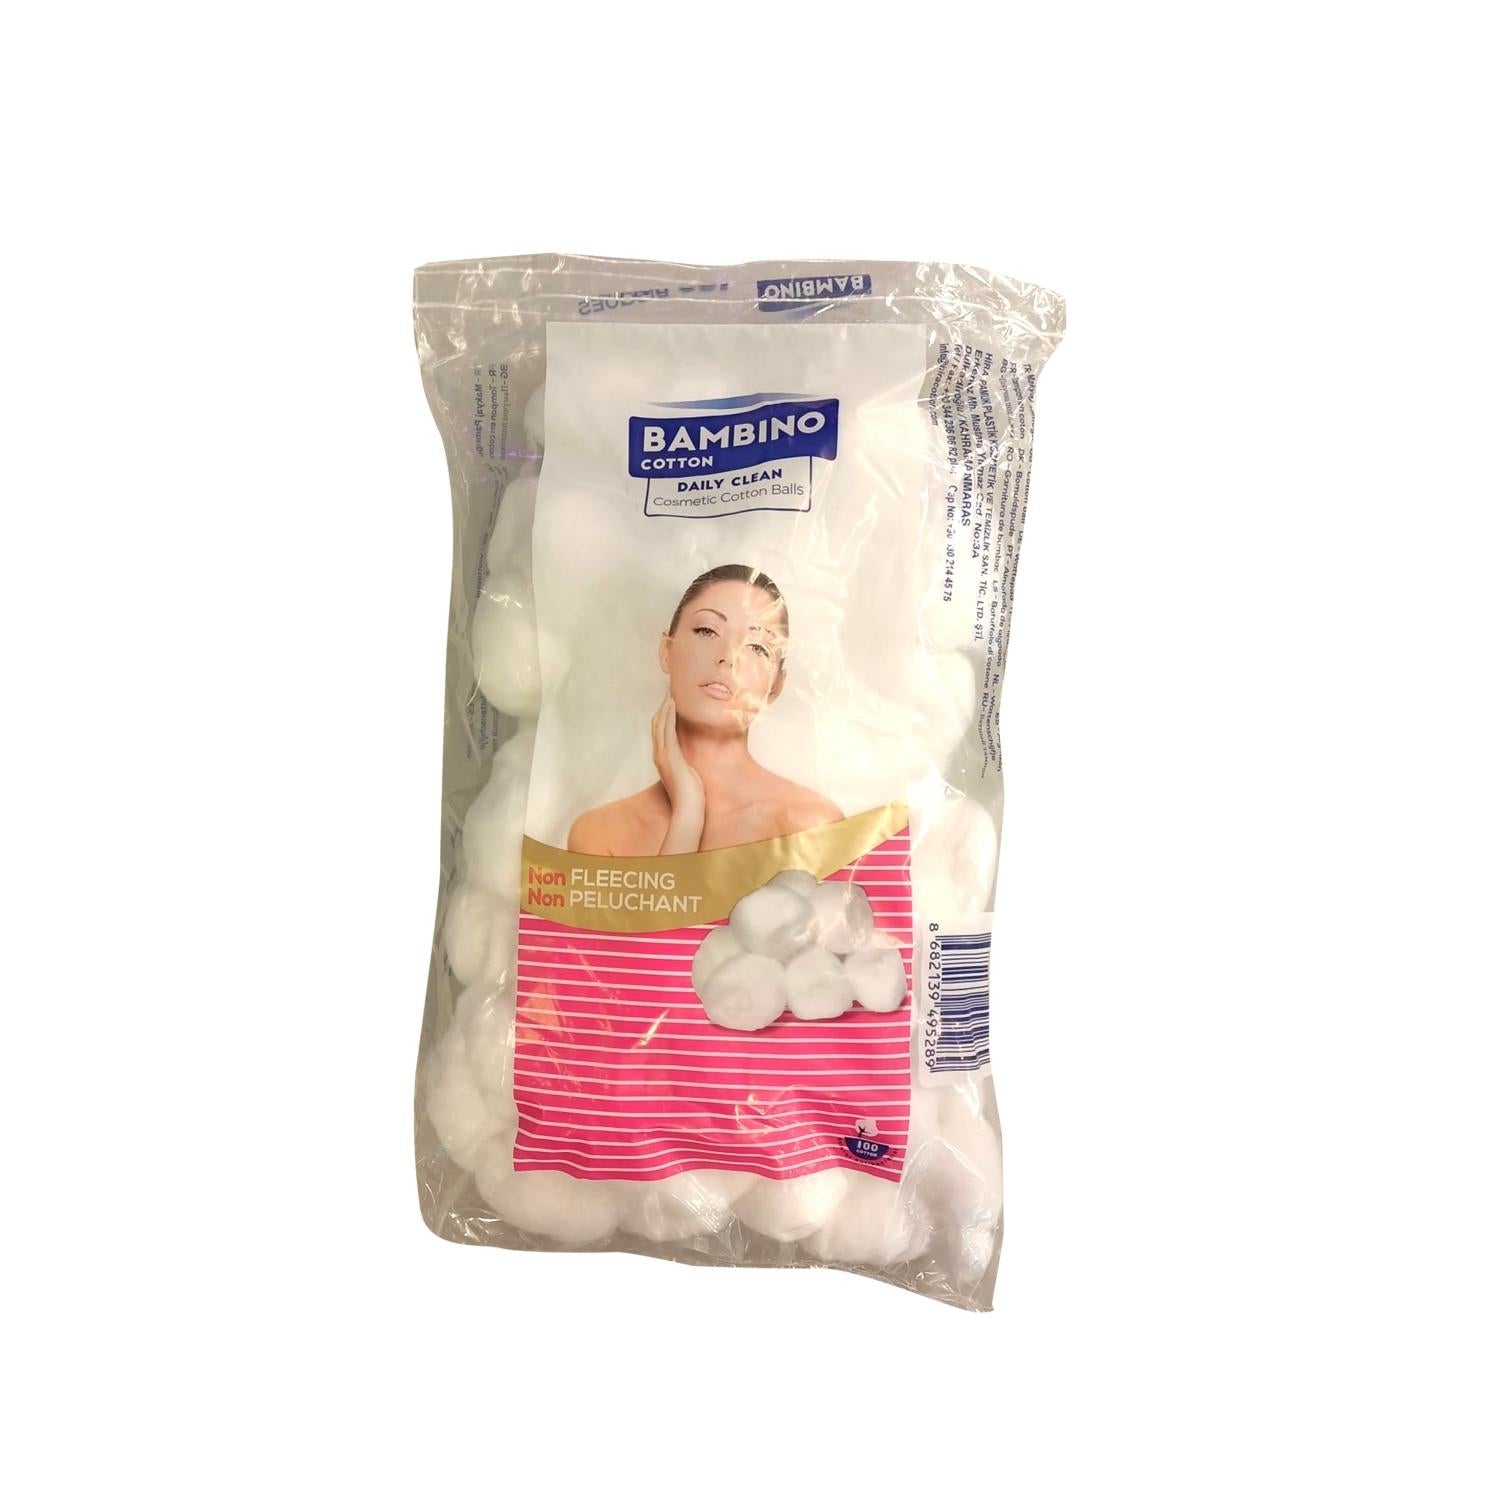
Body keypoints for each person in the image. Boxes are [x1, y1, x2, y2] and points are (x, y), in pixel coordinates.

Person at [567, 564, 842, 855]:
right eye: (707, 631)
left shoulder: (811, 826)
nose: (728, 658)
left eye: (757, 647)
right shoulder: (601, 833)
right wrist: (687, 811)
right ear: (666, 651)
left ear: (776, 685)